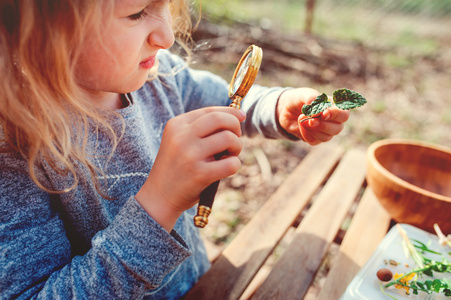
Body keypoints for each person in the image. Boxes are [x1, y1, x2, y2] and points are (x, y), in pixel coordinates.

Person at [0, 0, 350, 299]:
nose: (166, 36)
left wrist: (276, 108)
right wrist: (160, 203)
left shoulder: (158, 76)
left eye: (166, 4)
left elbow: (226, 104)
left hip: (201, 281)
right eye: (136, 13)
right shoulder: (16, 149)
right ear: (40, 31)